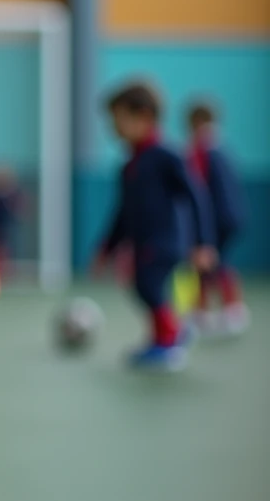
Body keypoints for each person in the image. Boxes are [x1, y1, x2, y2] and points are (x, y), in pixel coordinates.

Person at [94, 82, 215, 371]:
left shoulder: (167, 155)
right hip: (143, 241)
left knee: (149, 287)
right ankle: (165, 335)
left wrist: (203, 242)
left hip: (165, 241)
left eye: (120, 118)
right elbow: (122, 213)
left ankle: (169, 341)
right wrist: (107, 248)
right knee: (143, 287)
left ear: (144, 116)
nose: (114, 127)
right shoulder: (129, 165)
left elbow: (195, 196)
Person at [184, 100, 249, 336]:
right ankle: (205, 312)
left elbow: (199, 190)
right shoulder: (220, 148)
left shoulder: (203, 150)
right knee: (211, 264)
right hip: (231, 218)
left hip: (218, 219)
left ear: (196, 122)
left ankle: (231, 311)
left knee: (210, 262)